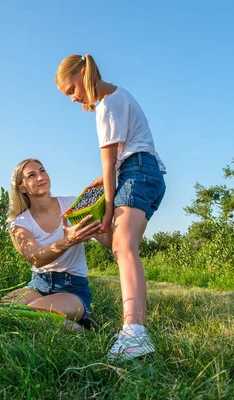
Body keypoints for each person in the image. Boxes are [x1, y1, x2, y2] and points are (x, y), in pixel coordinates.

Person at [55, 54, 166, 360]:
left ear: (82, 71)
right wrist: (100, 187)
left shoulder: (106, 105)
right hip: (145, 171)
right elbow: (120, 154)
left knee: (125, 247)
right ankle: (133, 330)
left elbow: (109, 162)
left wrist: (105, 205)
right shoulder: (119, 96)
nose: (74, 97)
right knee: (116, 245)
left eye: (71, 89)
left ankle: (134, 332)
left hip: (137, 171)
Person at [2, 158, 112, 332]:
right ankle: (72, 324)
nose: (40, 177)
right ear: (22, 187)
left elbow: (109, 242)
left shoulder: (71, 205)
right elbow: (35, 258)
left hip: (72, 288)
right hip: (38, 285)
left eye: (42, 171)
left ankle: (84, 333)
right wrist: (68, 241)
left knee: (33, 314)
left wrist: (103, 222)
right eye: (32, 175)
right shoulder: (20, 222)